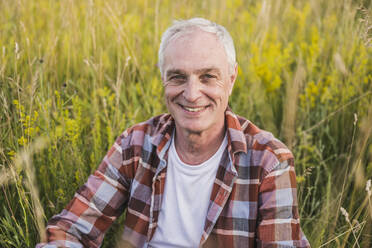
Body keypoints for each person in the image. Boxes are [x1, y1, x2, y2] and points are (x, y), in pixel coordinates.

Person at [37, 18, 310, 248]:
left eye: (208, 77)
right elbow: (72, 229)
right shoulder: (135, 145)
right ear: (163, 78)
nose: (191, 95)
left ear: (231, 79)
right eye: (178, 77)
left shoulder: (269, 162)